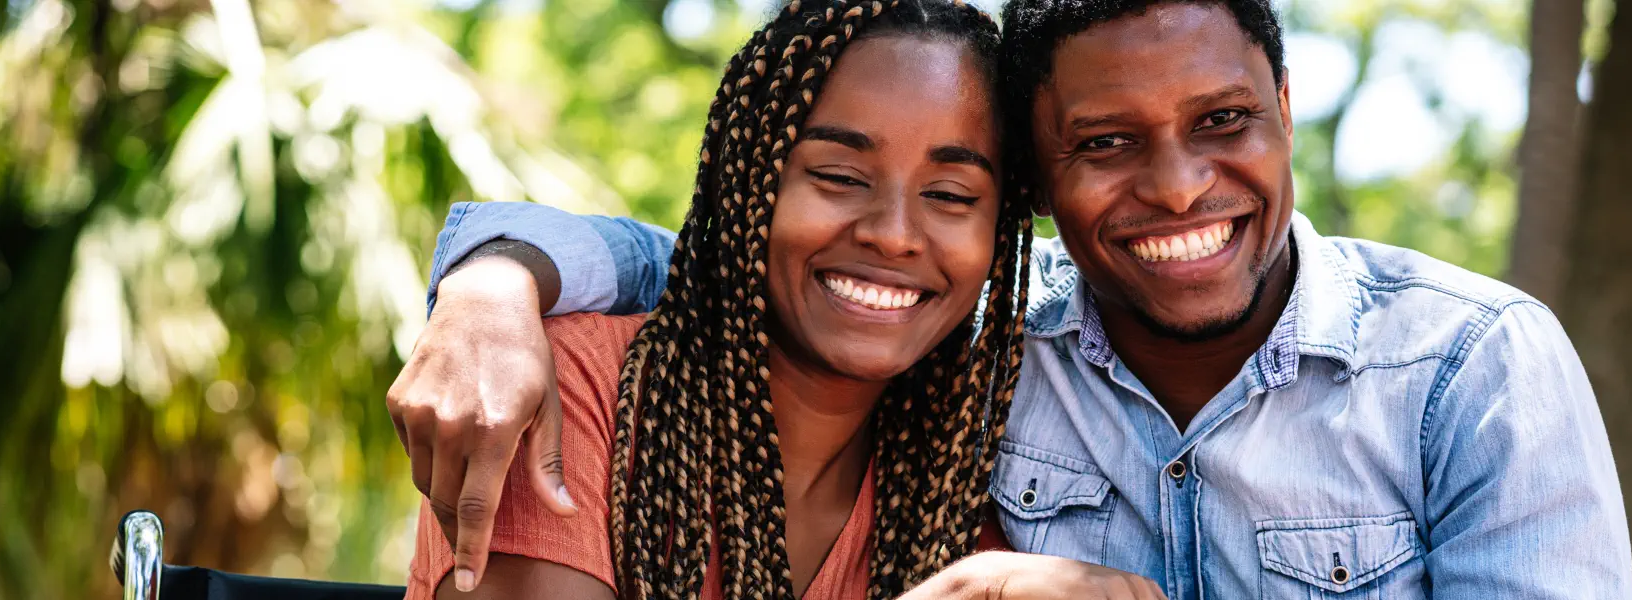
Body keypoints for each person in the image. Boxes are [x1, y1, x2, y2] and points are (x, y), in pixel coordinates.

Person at [393, 0, 1632, 597]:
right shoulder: (987, 352)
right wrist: (501, 279)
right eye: (1106, 145)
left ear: (1285, 116)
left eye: (1223, 123)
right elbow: (719, 264)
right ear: (1041, 185)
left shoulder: (1467, 367)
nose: (1178, 185)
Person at [392, 0, 1166, 597]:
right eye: (838, 177)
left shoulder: (962, 501)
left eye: (952, 194)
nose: (894, 235)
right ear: (748, 182)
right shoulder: (569, 394)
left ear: (1001, 232)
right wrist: (493, 275)